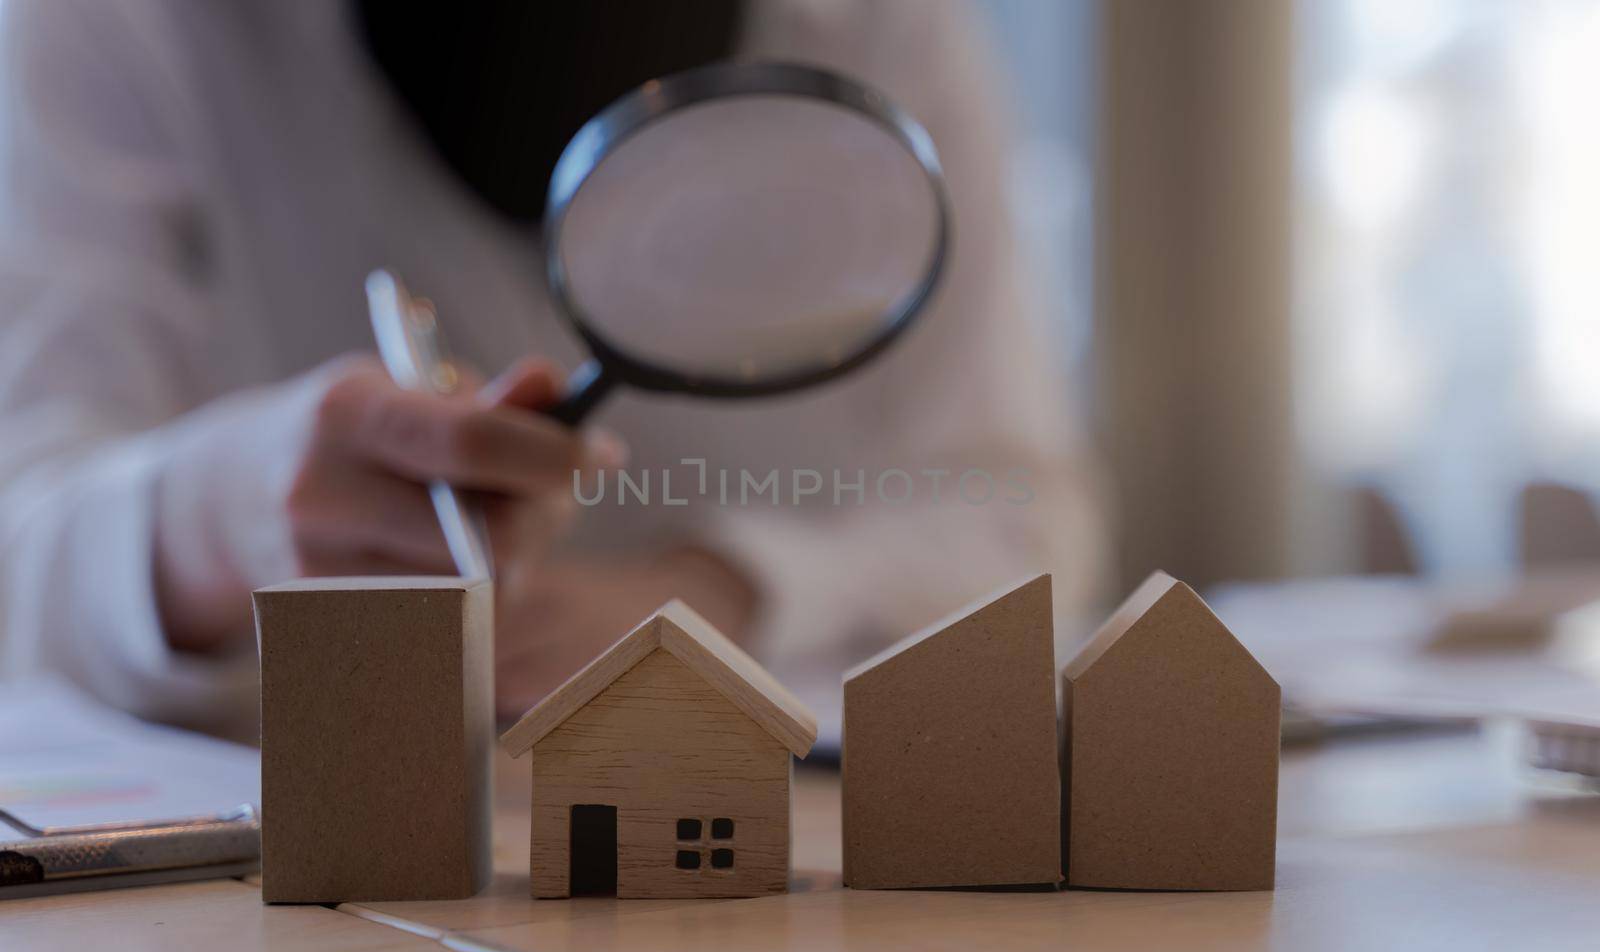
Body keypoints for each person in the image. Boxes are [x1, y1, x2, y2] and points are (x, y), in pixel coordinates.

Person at [0, 0, 1105, 739]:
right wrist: (218, 520)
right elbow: (22, 535)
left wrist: (715, 593)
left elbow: (1019, 516)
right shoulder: (118, 27)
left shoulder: (881, 28)